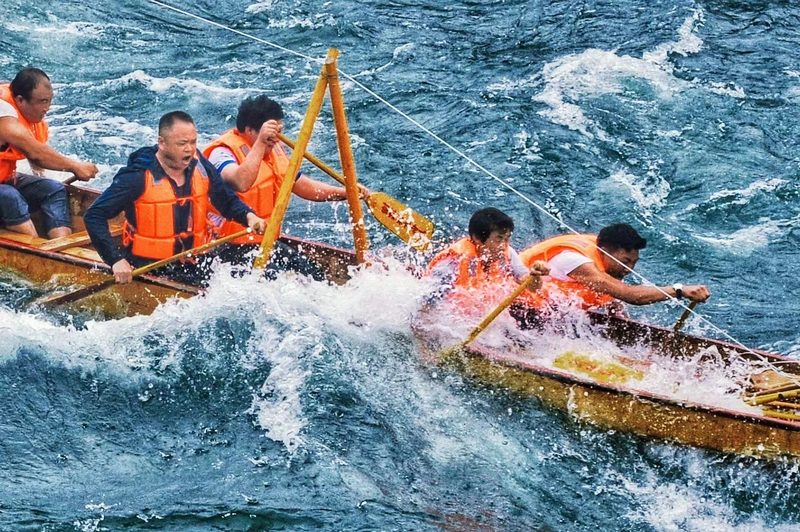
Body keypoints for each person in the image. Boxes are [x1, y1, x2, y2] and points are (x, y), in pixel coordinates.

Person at [85, 111, 266, 284]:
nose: (190, 149)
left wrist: (249, 216)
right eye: (182, 144)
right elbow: (94, 216)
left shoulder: (200, 165)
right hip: (150, 266)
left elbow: (226, 201)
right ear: (162, 142)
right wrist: (115, 260)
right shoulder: (136, 177)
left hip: (195, 261)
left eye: (193, 142)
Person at [203, 95, 368, 264]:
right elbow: (240, 182)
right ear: (250, 130)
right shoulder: (222, 152)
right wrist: (261, 143)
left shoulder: (273, 150)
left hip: (262, 242)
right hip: (224, 247)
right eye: (271, 134)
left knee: (311, 273)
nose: (276, 139)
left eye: (279, 132)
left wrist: (344, 192)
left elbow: (302, 185)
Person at [518, 223, 710, 316]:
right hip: (517, 309)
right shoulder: (573, 260)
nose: (629, 269)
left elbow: (610, 297)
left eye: (634, 262)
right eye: (626, 261)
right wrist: (679, 290)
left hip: (550, 312)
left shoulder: (608, 263)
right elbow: (630, 295)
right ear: (605, 251)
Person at [0, 67, 98, 238]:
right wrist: (76, 166)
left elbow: (36, 157)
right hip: (5, 191)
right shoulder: (4, 114)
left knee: (54, 189)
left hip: (4, 178)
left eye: (49, 101)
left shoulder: (25, 111)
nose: (47, 108)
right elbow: (36, 153)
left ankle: (61, 247)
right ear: (20, 100)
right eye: (42, 102)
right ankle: (37, 254)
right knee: (11, 197)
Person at [426, 207, 549, 317]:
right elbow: (426, 307)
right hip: (453, 318)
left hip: (481, 315)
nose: (503, 245)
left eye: (507, 239)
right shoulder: (452, 264)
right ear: (477, 238)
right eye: (499, 238)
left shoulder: (508, 253)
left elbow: (533, 288)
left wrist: (535, 276)